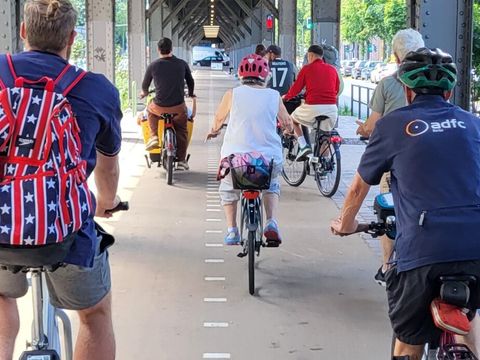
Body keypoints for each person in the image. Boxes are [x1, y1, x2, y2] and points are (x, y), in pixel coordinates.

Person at [331, 47, 480, 359]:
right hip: (475, 248)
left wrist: (346, 224)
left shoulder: (392, 125)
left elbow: (358, 188)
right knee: (468, 319)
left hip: (422, 251)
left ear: (407, 91)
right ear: (450, 91)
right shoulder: (473, 123)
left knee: (408, 340)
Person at [0, 1, 122, 359]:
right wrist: (106, 201)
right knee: (95, 315)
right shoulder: (97, 90)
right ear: (71, 38)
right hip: (66, 231)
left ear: (23, 31)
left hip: (1, 227)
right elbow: (107, 166)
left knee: (1, 300)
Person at [355, 28, 425, 287]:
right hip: (431, 160)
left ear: (396, 58)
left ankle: (387, 265)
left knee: (389, 209)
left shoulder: (388, 84)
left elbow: (374, 126)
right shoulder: (437, 81)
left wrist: (362, 128)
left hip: (397, 160)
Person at [206, 54, 293, 246]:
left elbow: (219, 120)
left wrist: (213, 131)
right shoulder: (274, 95)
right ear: (265, 76)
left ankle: (232, 231)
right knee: (271, 185)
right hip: (268, 159)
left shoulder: (232, 94)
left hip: (235, 160)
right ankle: (271, 222)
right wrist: (289, 131)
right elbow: (287, 122)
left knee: (228, 189)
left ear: (240, 75)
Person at [140, 37, 195, 170]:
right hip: (178, 107)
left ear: (158, 50)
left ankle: (154, 137)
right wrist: (191, 93)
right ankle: (182, 160)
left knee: (150, 110)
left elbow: (145, 85)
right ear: (172, 49)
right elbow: (190, 81)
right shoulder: (182, 64)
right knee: (182, 130)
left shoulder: (153, 65)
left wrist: (144, 93)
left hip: (159, 107)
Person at [283, 45, 340, 160]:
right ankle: (323, 165)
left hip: (313, 108)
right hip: (332, 109)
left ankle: (304, 146)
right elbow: (337, 89)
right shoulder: (332, 69)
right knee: (325, 136)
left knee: (293, 120)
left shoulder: (307, 69)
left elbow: (296, 88)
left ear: (310, 55)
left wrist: (286, 97)